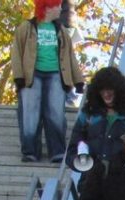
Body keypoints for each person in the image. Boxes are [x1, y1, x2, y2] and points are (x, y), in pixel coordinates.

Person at [11, 0, 84, 162]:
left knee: (56, 113)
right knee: (30, 113)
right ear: (46, 7)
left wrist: (78, 80)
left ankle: (57, 151)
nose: (60, 8)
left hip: (56, 76)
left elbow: (70, 57)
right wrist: (18, 77)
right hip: (32, 76)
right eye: (56, 5)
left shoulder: (61, 30)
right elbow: (16, 53)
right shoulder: (26, 28)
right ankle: (30, 151)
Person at [65, 67, 125, 178]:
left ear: (119, 90)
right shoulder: (87, 117)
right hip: (91, 185)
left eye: (110, 89)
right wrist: (82, 163)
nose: (106, 94)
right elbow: (72, 151)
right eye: (102, 90)